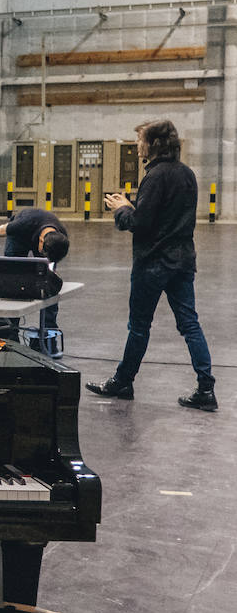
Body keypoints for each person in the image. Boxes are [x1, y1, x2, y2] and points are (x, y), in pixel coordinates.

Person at [88, 119, 216, 410]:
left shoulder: (155, 176)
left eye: (140, 141)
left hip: (153, 264)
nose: (136, 147)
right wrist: (133, 206)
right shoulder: (187, 174)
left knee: (139, 326)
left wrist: (121, 209)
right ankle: (206, 388)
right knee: (190, 324)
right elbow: (165, 218)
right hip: (183, 260)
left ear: (153, 145)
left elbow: (140, 225)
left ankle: (123, 381)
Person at [0, 205, 70, 333]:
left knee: (49, 286)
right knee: (12, 280)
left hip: (43, 238)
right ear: (41, 241)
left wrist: (50, 273)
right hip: (20, 237)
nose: (48, 260)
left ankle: (49, 329)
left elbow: (51, 266)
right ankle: (9, 328)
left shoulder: (60, 238)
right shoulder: (21, 225)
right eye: (46, 256)